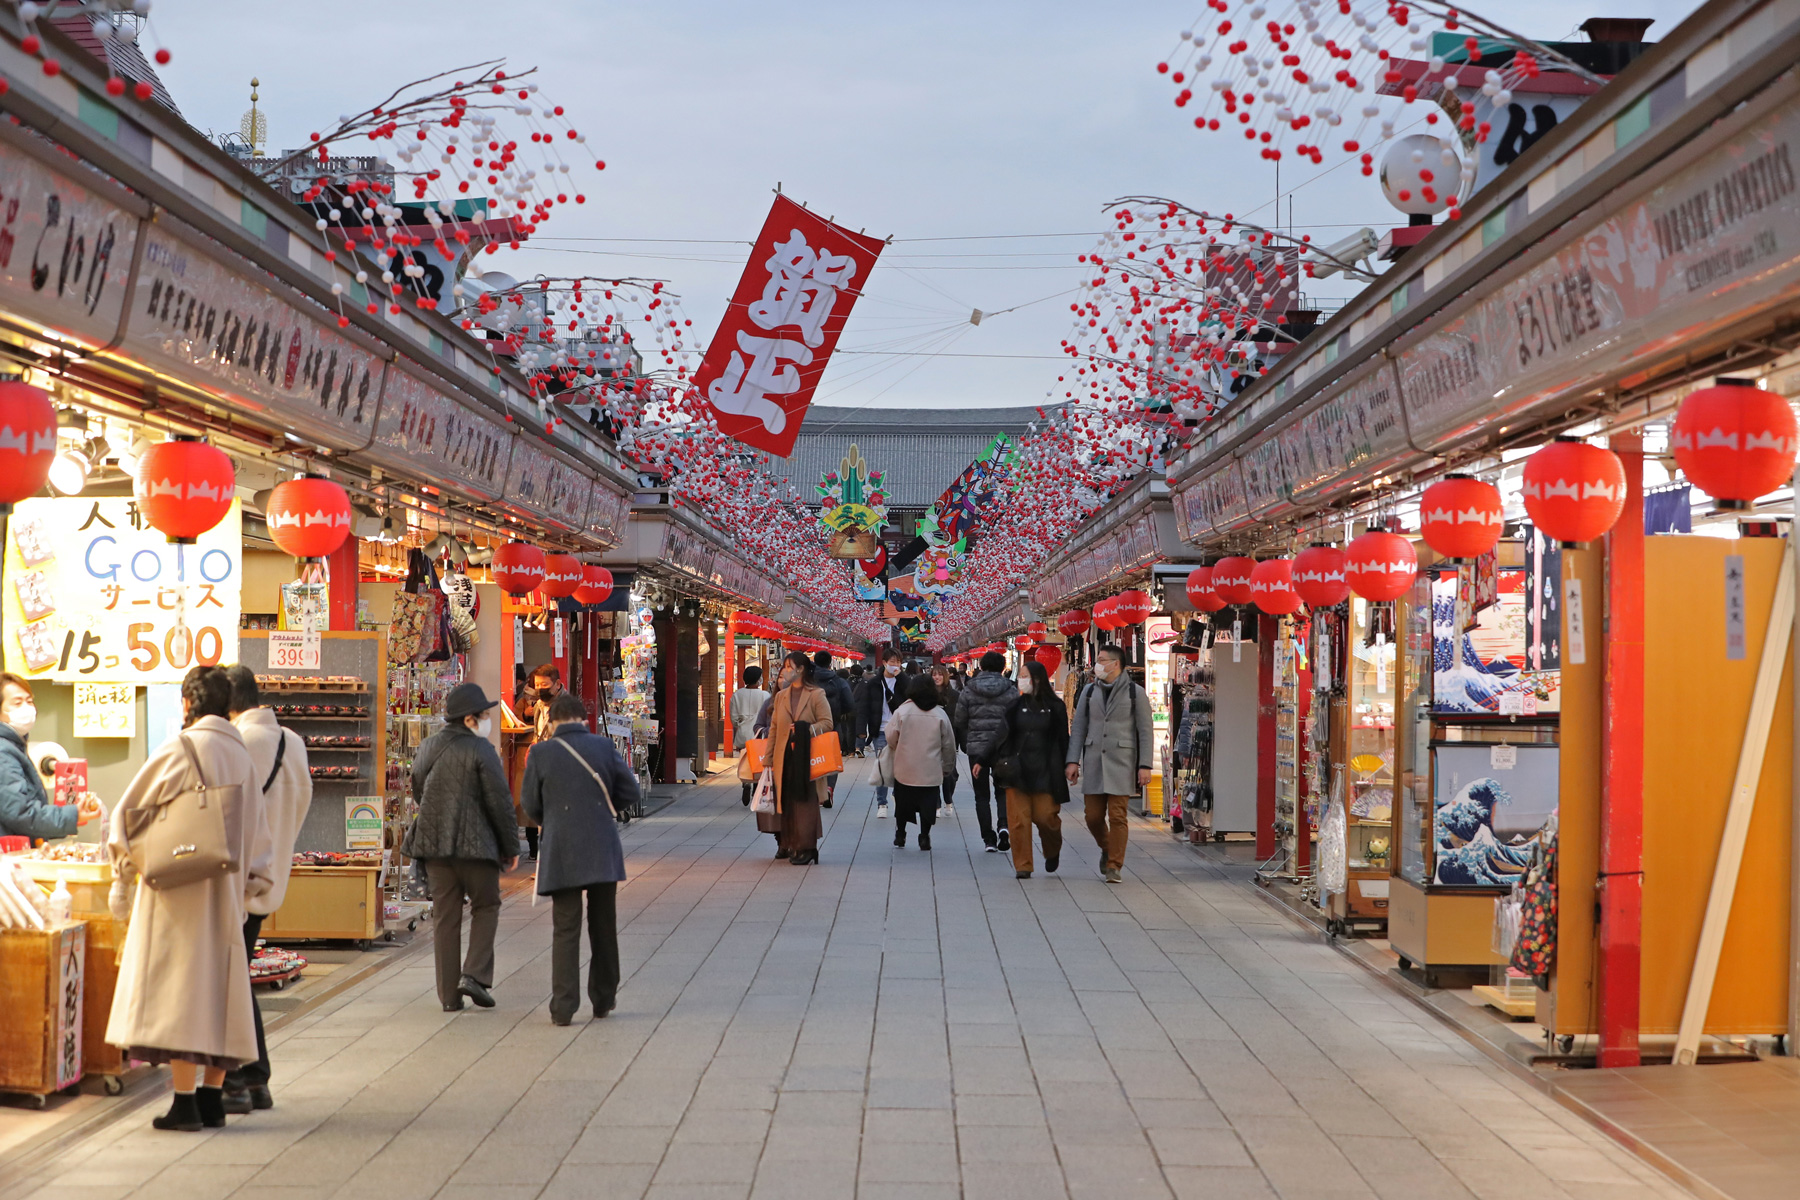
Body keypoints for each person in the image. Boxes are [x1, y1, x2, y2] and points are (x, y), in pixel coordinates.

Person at [105, 666, 272, 1132]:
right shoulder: (241, 755)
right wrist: (253, 885)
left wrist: (123, 865)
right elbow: (260, 834)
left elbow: (128, 812)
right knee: (221, 993)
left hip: (178, 891)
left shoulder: (181, 748)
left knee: (182, 995)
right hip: (228, 892)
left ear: (186, 704)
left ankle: (183, 1103)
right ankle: (212, 1098)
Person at [220, 665, 312, 1115]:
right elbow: (302, 802)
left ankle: (239, 1080)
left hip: (236, 881)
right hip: (272, 877)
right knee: (236, 974)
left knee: (228, 978)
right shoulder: (292, 742)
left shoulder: (236, 742)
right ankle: (254, 1080)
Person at [520, 692, 638, 1025]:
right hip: (601, 845)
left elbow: (529, 803)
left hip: (561, 848)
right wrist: (602, 810)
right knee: (604, 926)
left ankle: (563, 1007)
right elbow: (630, 791)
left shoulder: (541, 753)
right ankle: (603, 999)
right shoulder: (602, 747)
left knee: (565, 928)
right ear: (582, 719)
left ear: (553, 721)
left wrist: (554, 817)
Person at [402, 682, 520, 1011]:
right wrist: (510, 847)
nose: (487, 720)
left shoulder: (427, 747)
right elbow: (500, 802)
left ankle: (449, 998)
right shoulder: (482, 750)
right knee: (486, 905)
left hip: (435, 846)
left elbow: (418, 791)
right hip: (476, 846)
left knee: (446, 918)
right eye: (484, 715)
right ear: (469, 719)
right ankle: (474, 973)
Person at [1066, 645, 1154, 884]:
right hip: (1094, 760)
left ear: (1116, 664)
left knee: (1117, 816)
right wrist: (1072, 760)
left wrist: (1145, 764)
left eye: (1102, 660)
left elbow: (1145, 731)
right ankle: (1107, 847)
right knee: (1092, 817)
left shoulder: (1136, 693)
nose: (1097, 664)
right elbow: (1079, 729)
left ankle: (1115, 865)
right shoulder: (1088, 692)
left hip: (1122, 762)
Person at [0, 672, 102, 840]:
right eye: (17, 703)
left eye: (29, 701)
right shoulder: (3, 752)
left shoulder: (15, 747)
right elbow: (20, 813)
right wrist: (72, 815)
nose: (27, 708)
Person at [996, 658, 1069, 880]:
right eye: (1021, 676)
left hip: (1046, 770)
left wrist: (1070, 764)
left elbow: (1063, 739)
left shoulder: (1056, 707)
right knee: (1018, 820)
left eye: (1025, 676)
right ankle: (1023, 865)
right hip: (1017, 771)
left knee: (1047, 817)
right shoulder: (1014, 706)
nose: (1021, 680)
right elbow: (1001, 736)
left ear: (1038, 679)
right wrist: (982, 758)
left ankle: (1052, 849)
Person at [758, 652, 834, 864]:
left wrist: (806, 729)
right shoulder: (781, 696)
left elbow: (827, 723)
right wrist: (768, 760)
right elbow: (774, 730)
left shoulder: (816, 694)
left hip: (807, 756)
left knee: (806, 802)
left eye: (790, 667)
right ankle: (791, 844)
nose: (786, 671)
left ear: (801, 669)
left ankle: (808, 847)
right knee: (787, 802)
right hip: (785, 757)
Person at [880, 676, 956, 851]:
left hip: (905, 767)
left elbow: (890, 737)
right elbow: (949, 744)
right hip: (930, 769)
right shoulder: (939, 713)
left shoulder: (902, 711)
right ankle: (924, 836)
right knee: (928, 803)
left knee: (902, 802)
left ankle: (901, 833)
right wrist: (947, 766)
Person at [954, 651, 1019, 853]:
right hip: (1004, 748)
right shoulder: (1011, 690)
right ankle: (1003, 825)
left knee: (981, 796)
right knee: (1003, 789)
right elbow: (1017, 719)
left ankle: (988, 839)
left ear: (980, 667)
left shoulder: (969, 690)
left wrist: (966, 743)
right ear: (1002, 668)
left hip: (977, 748)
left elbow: (959, 720)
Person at [519, 664, 565, 860]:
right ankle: (545, 862)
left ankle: (555, 861)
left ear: (557, 685)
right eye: (538, 685)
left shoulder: (566, 706)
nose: (541, 688)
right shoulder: (538, 706)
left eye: (545, 684)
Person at [857, 652, 907, 819]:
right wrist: (861, 732)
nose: (895, 665)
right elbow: (863, 707)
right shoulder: (874, 683)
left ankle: (899, 797)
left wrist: (902, 677)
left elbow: (913, 694)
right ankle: (882, 803)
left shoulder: (903, 682)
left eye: (899, 662)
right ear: (884, 662)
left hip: (901, 729)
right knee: (882, 765)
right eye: (892, 661)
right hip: (880, 730)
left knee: (901, 766)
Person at [810, 651, 854, 807]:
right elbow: (849, 703)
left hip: (810, 725)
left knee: (812, 757)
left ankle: (815, 790)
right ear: (830, 663)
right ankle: (828, 788)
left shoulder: (808, 679)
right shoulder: (839, 681)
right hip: (833, 725)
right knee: (831, 758)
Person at [730, 665, 770, 807]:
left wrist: (741, 723)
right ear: (758, 679)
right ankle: (756, 787)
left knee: (746, 760)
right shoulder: (765, 695)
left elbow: (733, 718)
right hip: (759, 734)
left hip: (743, 733)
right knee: (759, 761)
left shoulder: (737, 695)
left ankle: (746, 782)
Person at [929, 664, 962, 810]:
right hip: (930, 738)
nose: (937, 677)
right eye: (934, 675)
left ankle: (948, 797)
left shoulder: (955, 695)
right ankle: (936, 803)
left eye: (940, 674)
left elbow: (960, 718)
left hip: (950, 737)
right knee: (933, 772)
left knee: (950, 773)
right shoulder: (927, 694)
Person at [846, 664, 868, 755]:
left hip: (849, 709)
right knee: (861, 728)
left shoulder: (846, 682)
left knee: (850, 730)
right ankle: (859, 748)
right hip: (862, 708)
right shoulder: (865, 683)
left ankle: (851, 751)